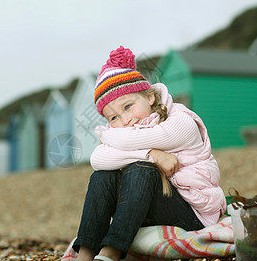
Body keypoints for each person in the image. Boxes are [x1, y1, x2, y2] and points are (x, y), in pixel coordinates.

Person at [73, 46, 226, 261]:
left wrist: (107, 136)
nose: (125, 120)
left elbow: (123, 141)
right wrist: (152, 155)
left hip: (192, 214)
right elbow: (97, 160)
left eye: (127, 106)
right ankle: (85, 255)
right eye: (113, 118)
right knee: (103, 175)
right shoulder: (129, 130)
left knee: (141, 170)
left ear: (150, 97)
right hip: (149, 208)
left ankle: (110, 253)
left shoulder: (181, 121)